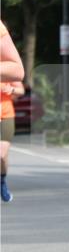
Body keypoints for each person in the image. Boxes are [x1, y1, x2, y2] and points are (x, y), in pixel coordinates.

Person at [0, 20, 25, 203]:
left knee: (1, 155)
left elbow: (20, 86)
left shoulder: (6, 68)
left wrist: (11, 90)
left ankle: (2, 180)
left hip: (6, 113)